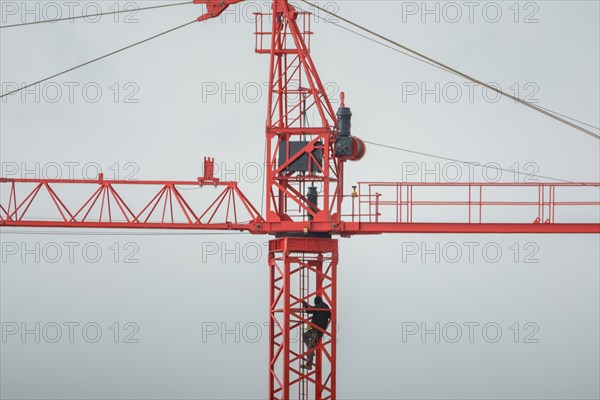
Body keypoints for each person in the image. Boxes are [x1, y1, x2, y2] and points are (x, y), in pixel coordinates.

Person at [301, 296, 331, 370]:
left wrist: (305, 305)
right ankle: (311, 352)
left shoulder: (319, 306)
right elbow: (329, 315)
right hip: (317, 329)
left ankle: (309, 364)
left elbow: (309, 311)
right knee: (305, 336)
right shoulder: (325, 306)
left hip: (317, 331)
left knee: (310, 347)